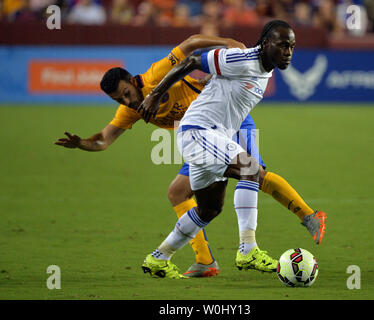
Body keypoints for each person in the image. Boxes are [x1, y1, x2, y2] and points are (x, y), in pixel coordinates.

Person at [55, 32, 326, 278]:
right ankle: (200, 260)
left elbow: (191, 44)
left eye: (126, 94)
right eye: (119, 100)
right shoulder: (131, 110)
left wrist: (228, 45)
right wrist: (82, 143)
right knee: (190, 195)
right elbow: (103, 140)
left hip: (227, 124)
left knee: (252, 173)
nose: (127, 102)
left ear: (132, 81)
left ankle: (280, 231)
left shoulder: (155, 76)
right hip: (201, 135)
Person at [137, 20, 327, 279]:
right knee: (251, 168)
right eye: (282, 45)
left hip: (213, 138)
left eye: (291, 47)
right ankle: (248, 249)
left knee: (209, 209)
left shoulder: (266, 68)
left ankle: (159, 257)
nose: (288, 52)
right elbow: (192, 60)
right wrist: (155, 95)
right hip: (199, 131)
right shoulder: (243, 59)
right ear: (265, 44)